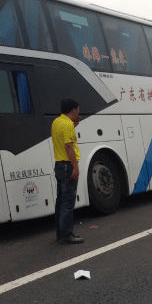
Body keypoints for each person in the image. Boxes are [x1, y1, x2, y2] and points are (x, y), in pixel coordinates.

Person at [51, 98, 83, 244]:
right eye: (78, 109)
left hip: (59, 165)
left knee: (60, 201)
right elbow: (69, 146)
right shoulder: (67, 124)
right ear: (73, 110)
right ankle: (66, 235)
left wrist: (74, 126)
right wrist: (75, 166)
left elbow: (63, 139)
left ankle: (60, 234)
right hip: (67, 166)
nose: (78, 112)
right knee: (68, 203)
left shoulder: (57, 122)